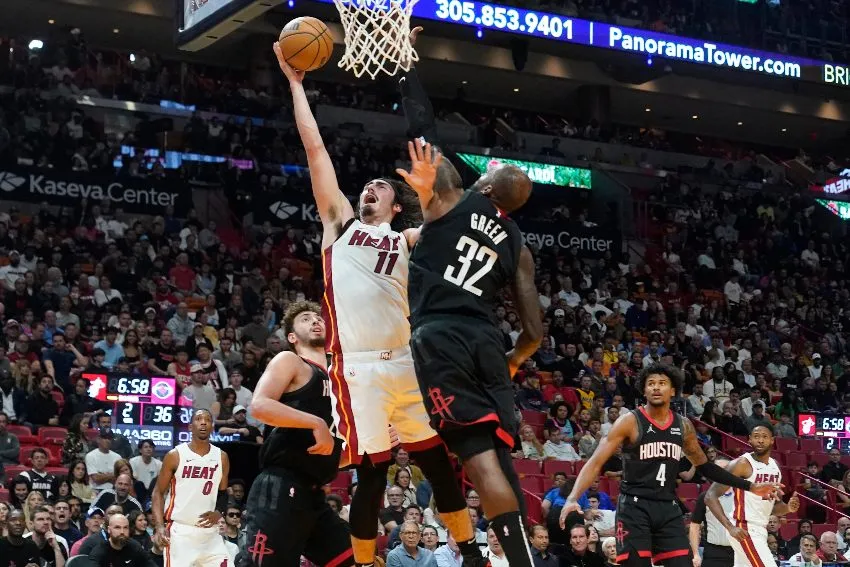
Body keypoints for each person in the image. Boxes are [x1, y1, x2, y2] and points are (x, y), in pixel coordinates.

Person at [272, 43, 479, 567]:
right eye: (365, 185)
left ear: (394, 203)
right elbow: (316, 152)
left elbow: (451, 209)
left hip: (407, 362)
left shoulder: (409, 239)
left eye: (379, 187)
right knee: (371, 475)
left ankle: (472, 553)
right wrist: (296, 86)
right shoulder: (339, 225)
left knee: (437, 464)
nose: (369, 190)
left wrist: (432, 186)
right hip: (358, 368)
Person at [399, 140, 540, 567]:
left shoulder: (455, 199)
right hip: (489, 344)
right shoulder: (519, 246)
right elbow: (533, 333)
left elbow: (428, 150)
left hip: (443, 337)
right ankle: (524, 557)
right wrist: (512, 361)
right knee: (499, 459)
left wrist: (408, 81)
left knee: (480, 465)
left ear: (488, 188)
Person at [558, 364, 780, 567]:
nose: (656, 388)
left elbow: (706, 467)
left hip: (667, 506)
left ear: (673, 390)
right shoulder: (629, 422)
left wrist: (749, 486)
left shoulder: (683, 426)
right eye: (651, 384)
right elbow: (596, 462)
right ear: (643, 390)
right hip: (634, 508)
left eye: (662, 383)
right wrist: (572, 498)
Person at [239, 301, 353, 567]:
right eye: (305, 318)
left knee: (356, 560)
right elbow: (259, 405)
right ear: (291, 336)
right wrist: (316, 423)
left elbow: (330, 453)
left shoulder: (338, 383)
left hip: (314, 495)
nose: (315, 321)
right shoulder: (291, 360)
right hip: (280, 485)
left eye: (318, 317)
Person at [705, 425, 799, 567]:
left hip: (761, 528)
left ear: (772, 440)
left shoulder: (776, 467)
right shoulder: (741, 464)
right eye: (756, 436)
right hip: (745, 528)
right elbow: (710, 496)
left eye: (764, 437)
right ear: (749, 440)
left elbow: (773, 508)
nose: (760, 440)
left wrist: (788, 509)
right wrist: (730, 527)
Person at [151, 409, 231, 567]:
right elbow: (158, 493)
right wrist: (159, 526)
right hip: (181, 532)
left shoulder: (221, 457)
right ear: (190, 427)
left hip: (210, 534)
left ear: (212, 427)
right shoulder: (175, 455)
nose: (203, 422)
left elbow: (223, 492)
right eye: (198, 419)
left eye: (207, 420)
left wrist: (219, 511)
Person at [687, 460, 733, 567]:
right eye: (718, 469)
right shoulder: (705, 497)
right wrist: (695, 554)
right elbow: (694, 526)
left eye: (726, 468)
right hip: (714, 553)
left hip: (740, 551)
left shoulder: (742, 497)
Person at [89, 513, 156, 567]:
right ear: (109, 530)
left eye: (125, 527)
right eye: (117, 527)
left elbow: (150, 563)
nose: (122, 532)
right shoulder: (99, 552)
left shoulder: (134, 546)